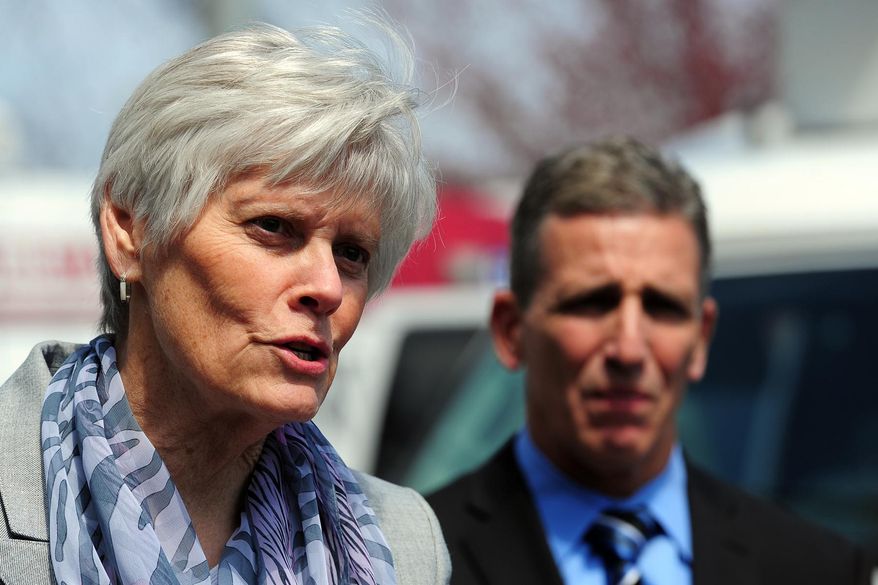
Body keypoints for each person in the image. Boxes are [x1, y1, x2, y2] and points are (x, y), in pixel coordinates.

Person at [0, 21, 450, 585]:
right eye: (273, 226)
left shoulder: (406, 542)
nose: (328, 287)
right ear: (129, 232)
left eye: (352, 253)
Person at [427, 137, 874, 585]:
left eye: (663, 308)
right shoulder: (415, 566)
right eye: (592, 303)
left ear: (700, 339)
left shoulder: (818, 570)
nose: (629, 349)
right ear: (511, 331)